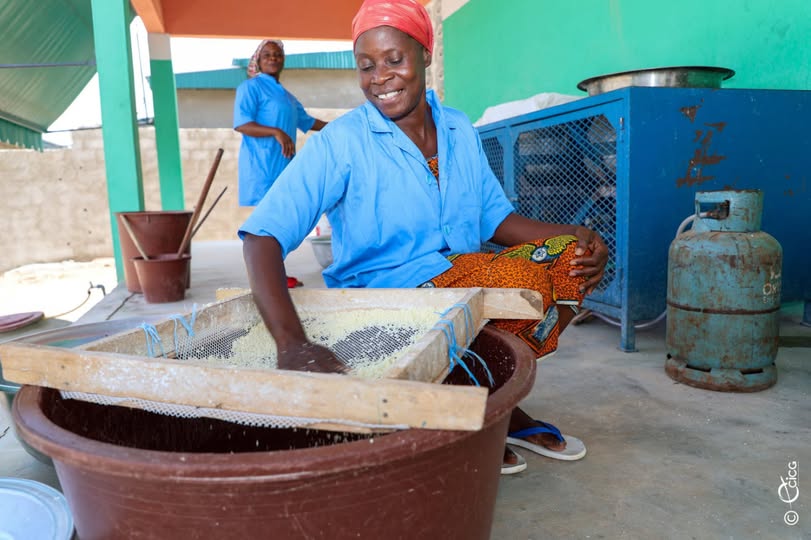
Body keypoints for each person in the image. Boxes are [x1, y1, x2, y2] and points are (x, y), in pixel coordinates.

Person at [239, 0, 609, 474]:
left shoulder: (457, 127)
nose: (381, 77)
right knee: (487, 287)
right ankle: (479, 406)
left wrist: (575, 235)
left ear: (425, 56)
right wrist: (291, 343)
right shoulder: (342, 142)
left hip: (460, 276)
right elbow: (262, 237)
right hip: (387, 296)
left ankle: (485, 394)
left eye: (395, 60)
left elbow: (495, 220)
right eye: (366, 65)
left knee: (564, 261)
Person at [233, 38, 328, 288]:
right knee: (266, 223)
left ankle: (274, 274)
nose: (273, 58)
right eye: (267, 55)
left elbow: (307, 121)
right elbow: (242, 124)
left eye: (277, 54)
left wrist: (340, 128)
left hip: (283, 167)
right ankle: (268, 277)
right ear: (258, 60)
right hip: (262, 165)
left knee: (279, 221)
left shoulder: (285, 96)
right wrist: (277, 132)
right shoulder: (250, 88)